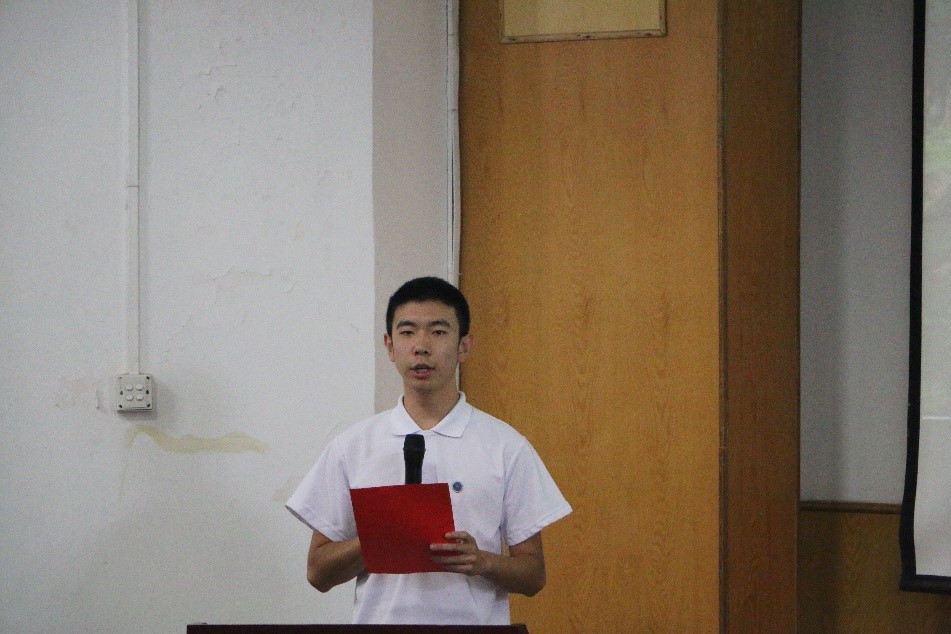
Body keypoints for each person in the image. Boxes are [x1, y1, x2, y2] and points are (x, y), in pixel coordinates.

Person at [286, 276, 572, 625]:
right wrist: (376, 539)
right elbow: (318, 573)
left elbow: (533, 575)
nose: (421, 346)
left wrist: (482, 561)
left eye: (438, 331)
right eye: (407, 332)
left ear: (464, 346)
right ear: (390, 346)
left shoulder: (505, 446)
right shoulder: (353, 446)